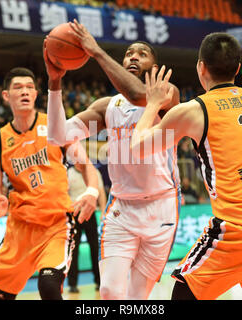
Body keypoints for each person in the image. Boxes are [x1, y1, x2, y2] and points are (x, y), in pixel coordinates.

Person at [131, 32, 242, 300]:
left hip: (238, 231)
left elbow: (138, 147)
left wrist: (152, 104)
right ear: (237, 68)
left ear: (201, 67)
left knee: (182, 295)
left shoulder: (195, 109)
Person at [45, 20, 181, 299]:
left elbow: (137, 94)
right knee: (108, 292)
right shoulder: (108, 106)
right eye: (129, 52)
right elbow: (58, 136)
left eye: (141, 53)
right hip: (121, 209)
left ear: (155, 68)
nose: (133, 56)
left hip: (162, 208)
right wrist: (55, 83)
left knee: (136, 297)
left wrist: (96, 52)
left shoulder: (167, 95)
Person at [0, 67, 98, 300]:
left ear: (36, 94)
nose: (24, 92)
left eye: (29, 87)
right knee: (1, 297)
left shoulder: (56, 127)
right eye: (18, 87)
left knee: (48, 285)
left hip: (56, 222)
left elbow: (86, 165)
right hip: (20, 228)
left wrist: (92, 190)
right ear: (6, 96)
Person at [67, 161, 107, 293]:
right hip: (74, 215)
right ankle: (72, 284)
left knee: (96, 248)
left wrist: (103, 211)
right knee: (73, 250)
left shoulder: (93, 173)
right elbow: (64, 193)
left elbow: (101, 191)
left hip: (90, 214)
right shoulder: (69, 173)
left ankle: (99, 281)